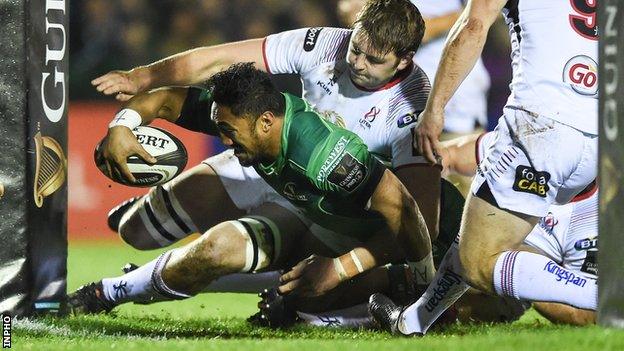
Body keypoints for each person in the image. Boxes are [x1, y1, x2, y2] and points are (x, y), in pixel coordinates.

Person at [69, 63, 432, 314]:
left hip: (330, 226)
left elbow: (405, 212)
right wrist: (122, 125)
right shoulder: (240, 113)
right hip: (292, 194)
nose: (223, 140)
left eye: (229, 133)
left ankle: (110, 291)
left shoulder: (327, 158)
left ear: (266, 123)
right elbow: (164, 99)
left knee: (219, 250)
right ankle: (154, 252)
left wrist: (345, 267)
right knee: (136, 231)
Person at [93, 0, 442, 256]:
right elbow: (219, 60)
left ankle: (119, 289)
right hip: (268, 151)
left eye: (374, 60)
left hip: (329, 207)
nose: (357, 63)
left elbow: (417, 213)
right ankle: (163, 211)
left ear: (405, 59)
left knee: (227, 258)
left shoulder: (413, 105)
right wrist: (143, 77)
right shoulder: (326, 43)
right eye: (355, 49)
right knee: (135, 233)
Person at [370, 0, 598, 335]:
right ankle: (414, 321)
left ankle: (603, 295)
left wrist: (433, 110)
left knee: (480, 261)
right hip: (594, 137)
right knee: (475, 232)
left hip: (540, 122)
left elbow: (474, 25)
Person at [337, 0, 491, 195]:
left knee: (463, 196)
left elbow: (477, 21)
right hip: (393, 107)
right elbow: (351, 11)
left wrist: (470, 17)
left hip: (457, 104)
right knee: (397, 198)